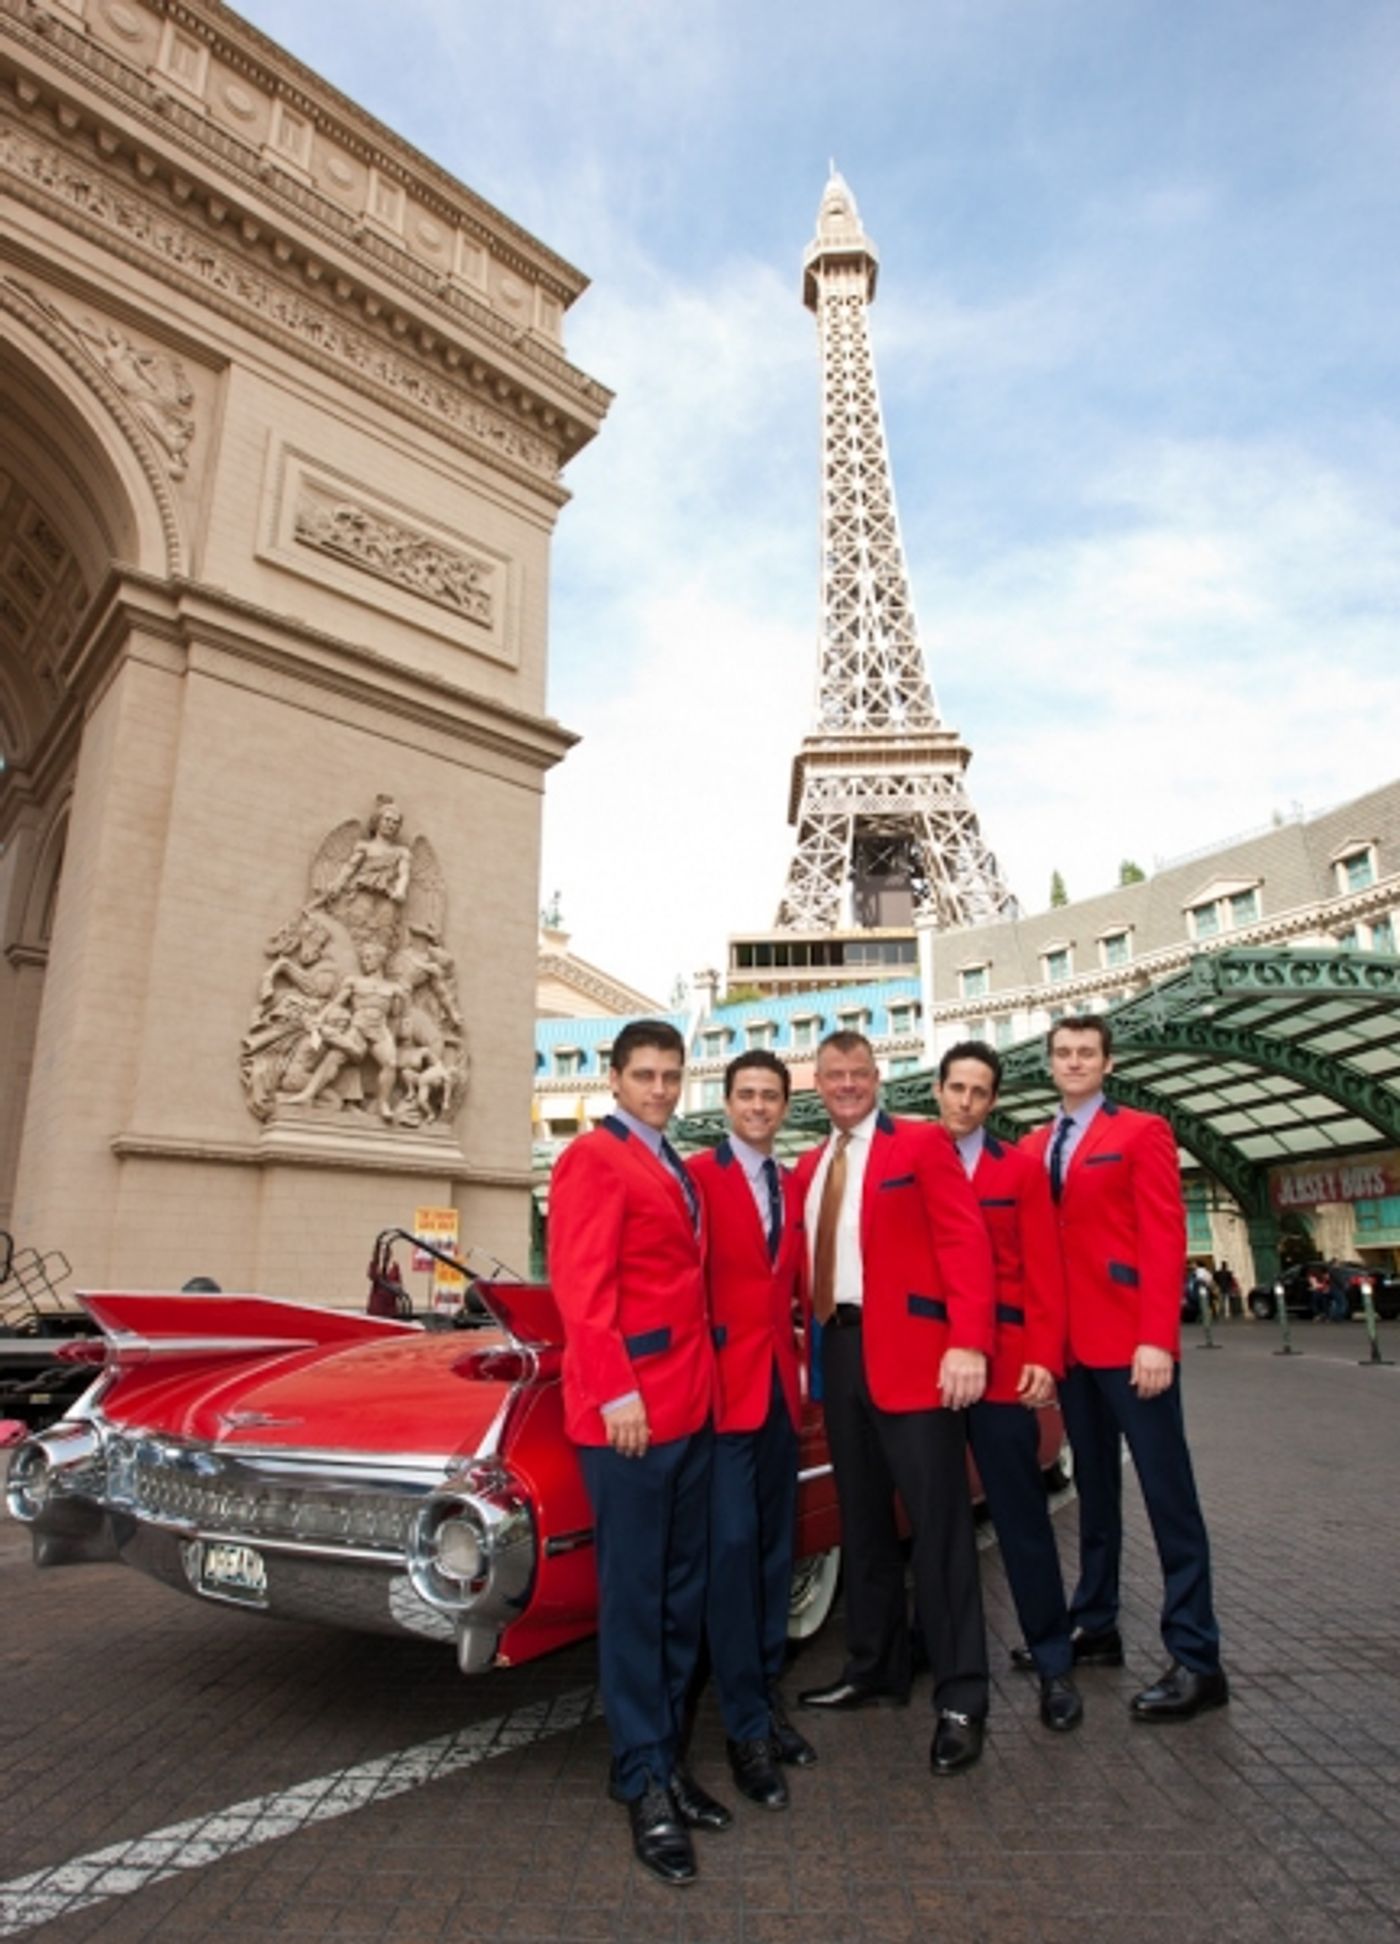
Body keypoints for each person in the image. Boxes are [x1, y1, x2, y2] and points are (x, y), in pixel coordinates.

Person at [792, 1031, 998, 1776]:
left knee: (940, 1530)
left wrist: (968, 1342)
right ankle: (877, 1666)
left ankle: (962, 1696)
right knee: (864, 1523)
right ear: (816, 1083)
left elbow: (965, 1244)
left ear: (878, 1078)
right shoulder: (811, 1167)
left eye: (858, 1073)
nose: (846, 1084)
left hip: (916, 1359)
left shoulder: (919, 1144)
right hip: (839, 1354)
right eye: (833, 1075)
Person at [547, 1019, 720, 1885]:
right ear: (613, 1080)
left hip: (687, 1406)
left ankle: (663, 1759)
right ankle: (642, 1776)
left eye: (671, 1075)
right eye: (644, 1075)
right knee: (637, 1599)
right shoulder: (593, 1157)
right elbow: (581, 1287)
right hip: (630, 1413)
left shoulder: (670, 1160)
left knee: (681, 1596)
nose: (659, 1087)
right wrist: (616, 1389)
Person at [1021, 1015, 1228, 1720]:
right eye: (1063, 1053)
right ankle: (1096, 1622)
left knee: (1170, 1497)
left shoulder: (1141, 1132)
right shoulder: (1033, 1144)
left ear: (1106, 1063)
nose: (1074, 1062)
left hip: (1132, 1347)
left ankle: (1198, 1658)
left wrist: (1157, 1338)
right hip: (1072, 1351)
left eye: (1087, 1053)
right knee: (1095, 1496)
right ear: (1050, 1063)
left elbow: (1165, 1236)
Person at [932, 1041, 1081, 1733]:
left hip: (1005, 1366)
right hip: (928, 1371)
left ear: (993, 1101)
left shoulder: (1019, 1171)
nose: (965, 1101)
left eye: (979, 1091)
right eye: (955, 1087)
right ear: (937, 1090)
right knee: (931, 1523)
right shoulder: (910, 1161)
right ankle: (930, 1653)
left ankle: (1054, 1662)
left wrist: (1044, 1359)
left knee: (1019, 1518)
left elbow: (1046, 1269)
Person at [687, 1050, 814, 1813]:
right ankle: (742, 1732)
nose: (759, 1106)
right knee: (731, 1555)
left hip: (778, 1393)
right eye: (747, 1095)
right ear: (727, 1101)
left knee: (774, 1553)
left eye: (771, 1096)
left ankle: (765, 1698)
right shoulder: (698, 1179)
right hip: (719, 1395)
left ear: (784, 1104)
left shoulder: (793, 1185)